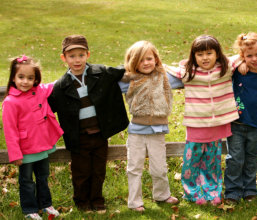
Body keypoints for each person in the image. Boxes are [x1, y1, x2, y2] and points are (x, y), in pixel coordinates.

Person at [47, 35, 129, 213]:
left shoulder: (101, 73)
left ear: (88, 55)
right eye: (72, 56)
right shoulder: (61, 86)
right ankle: (82, 201)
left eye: (81, 55)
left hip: (100, 134)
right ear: (64, 58)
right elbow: (47, 107)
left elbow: (122, 71)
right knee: (81, 172)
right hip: (79, 137)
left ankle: (97, 200)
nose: (77, 60)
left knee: (99, 171)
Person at [165, 35, 241, 206]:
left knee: (212, 160)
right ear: (194, 56)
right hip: (196, 124)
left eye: (209, 53)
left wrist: (243, 42)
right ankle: (192, 192)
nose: (205, 58)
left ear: (217, 54)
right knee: (192, 160)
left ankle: (212, 190)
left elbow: (240, 56)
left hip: (217, 124)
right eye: (200, 54)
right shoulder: (188, 73)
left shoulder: (225, 68)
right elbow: (167, 68)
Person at [118, 40, 179, 212]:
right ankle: (135, 202)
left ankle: (162, 194)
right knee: (134, 168)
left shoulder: (164, 77)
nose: (146, 63)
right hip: (137, 131)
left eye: (149, 59)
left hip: (157, 131)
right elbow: (107, 82)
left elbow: (186, 75)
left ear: (156, 59)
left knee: (159, 167)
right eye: (140, 60)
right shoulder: (127, 80)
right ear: (133, 62)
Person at [2, 55, 63, 220]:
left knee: (43, 177)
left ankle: (46, 204)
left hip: (42, 145)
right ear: (13, 78)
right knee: (27, 181)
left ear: (36, 79)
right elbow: (9, 130)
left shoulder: (39, 91)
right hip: (25, 149)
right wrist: (15, 154)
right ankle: (30, 209)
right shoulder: (10, 102)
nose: (25, 82)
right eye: (21, 77)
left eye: (30, 78)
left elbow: (55, 85)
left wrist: (70, 75)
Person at [224, 32, 257, 204]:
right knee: (235, 158)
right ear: (243, 56)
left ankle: (250, 190)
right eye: (249, 56)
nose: (254, 59)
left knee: (251, 158)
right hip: (236, 123)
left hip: (256, 125)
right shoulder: (237, 72)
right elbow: (224, 62)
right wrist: (240, 63)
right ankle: (232, 192)